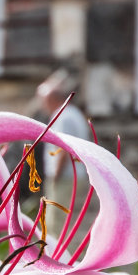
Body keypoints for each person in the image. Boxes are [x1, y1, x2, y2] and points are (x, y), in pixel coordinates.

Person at [34, 69, 91, 236]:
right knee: (61, 221)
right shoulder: (72, 113)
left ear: (52, 99)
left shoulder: (63, 116)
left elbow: (63, 150)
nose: (42, 105)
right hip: (73, 175)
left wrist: (55, 177)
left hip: (64, 176)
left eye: (43, 100)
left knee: (54, 222)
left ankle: (54, 257)